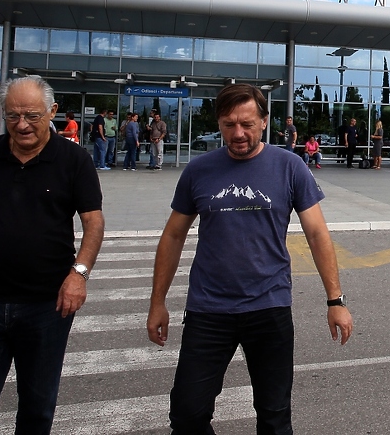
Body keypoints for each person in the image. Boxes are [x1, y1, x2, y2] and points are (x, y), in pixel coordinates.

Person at [146, 84, 352, 434]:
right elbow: (173, 235)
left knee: (274, 417)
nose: (238, 133)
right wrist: (157, 302)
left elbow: (317, 234)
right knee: (187, 414)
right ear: (219, 124)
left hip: (268, 308)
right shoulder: (199, 170)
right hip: (208, 310)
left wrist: (335, 300)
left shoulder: (290, 167)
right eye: (229, 124)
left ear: (264, 122)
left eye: (247, 123)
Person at [0, 76, 104, 433]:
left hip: (47, 305)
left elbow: (93, 223)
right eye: (13, 116)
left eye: (32, 116)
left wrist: (78, 275)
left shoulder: (73, 159)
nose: (21, 125)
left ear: (51, 112)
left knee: (37, 408)